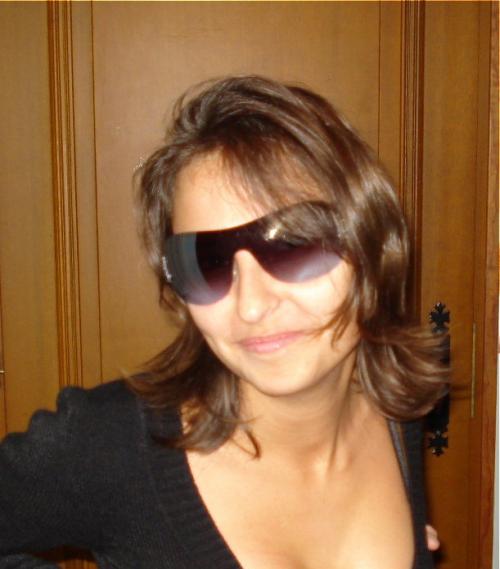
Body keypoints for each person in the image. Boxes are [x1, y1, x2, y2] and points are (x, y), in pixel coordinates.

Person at [0, 76, 447, 569]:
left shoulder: (395, 406)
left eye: (294, 245)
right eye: (206, 261)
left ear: (372, 247)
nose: (251, 305)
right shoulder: (110, 445)